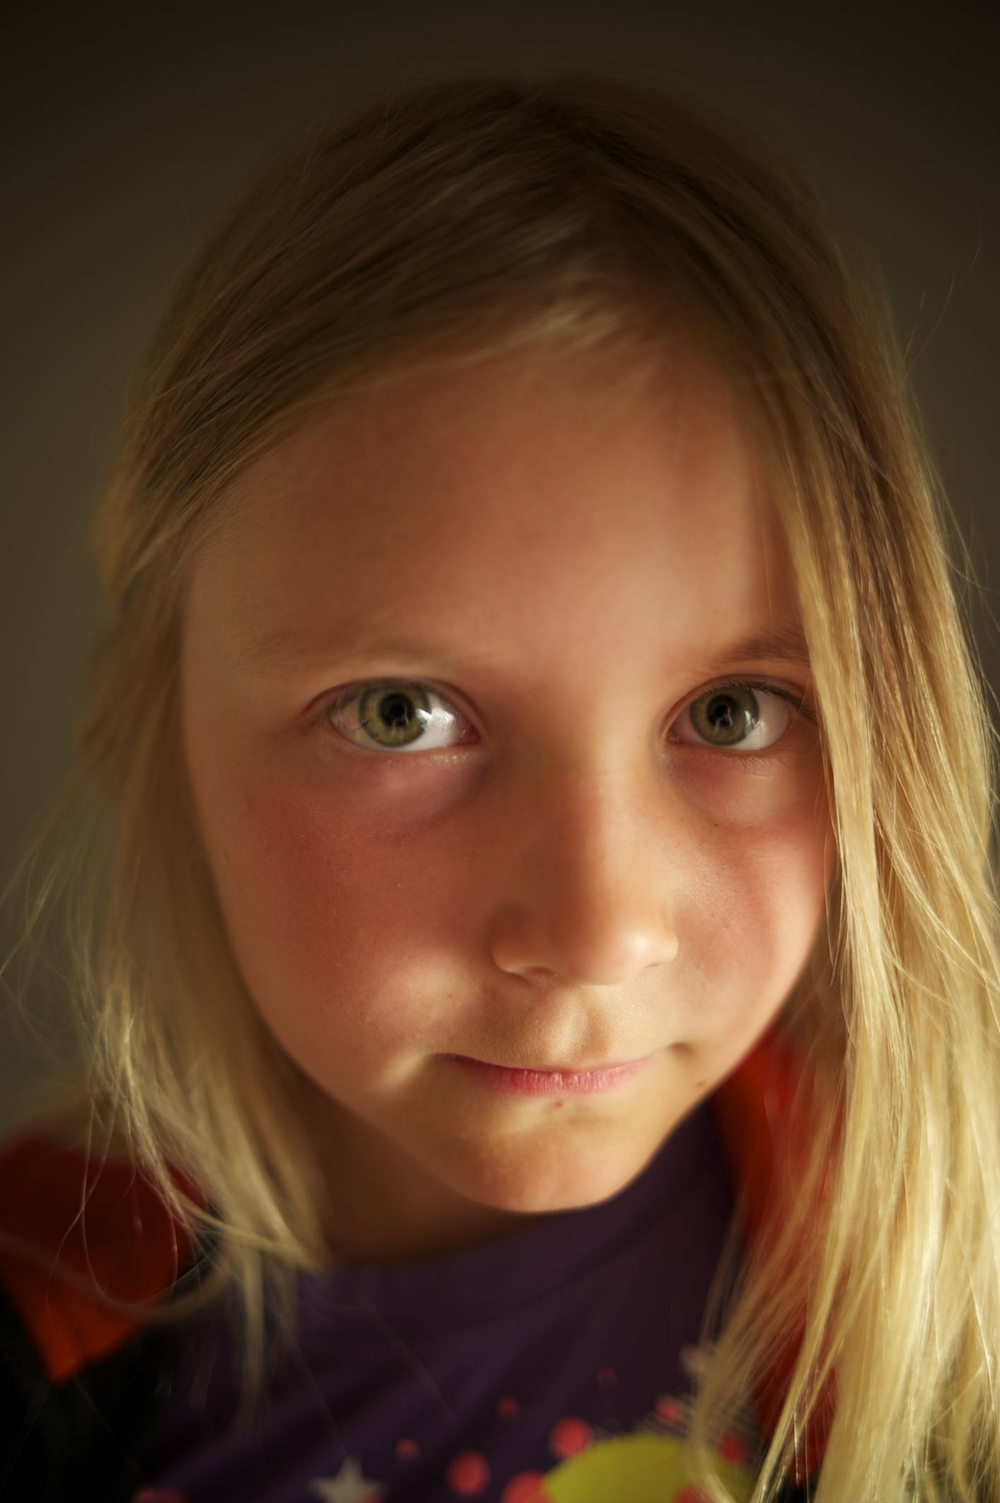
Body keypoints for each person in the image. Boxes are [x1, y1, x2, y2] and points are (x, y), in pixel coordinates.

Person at [0, 66, 997, 1503]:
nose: (596, 933)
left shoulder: (956, 1292)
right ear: (154, 716)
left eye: (732, 712)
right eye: (400, 714)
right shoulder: (40, 1318)